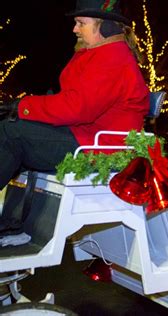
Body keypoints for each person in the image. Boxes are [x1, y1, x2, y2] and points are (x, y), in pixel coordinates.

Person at [0, 0, 149, 242]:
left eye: (81, 23)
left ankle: (14, 223)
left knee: (11, 133)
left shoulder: (112, 57)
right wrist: (23, 108)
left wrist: (25, 106)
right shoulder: (96, 54)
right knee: (14, 128)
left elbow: (77, 108)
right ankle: (14, 223)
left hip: (96, 145)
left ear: (106, 28)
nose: (75, 29)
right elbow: (69, 101)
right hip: (83, 134)